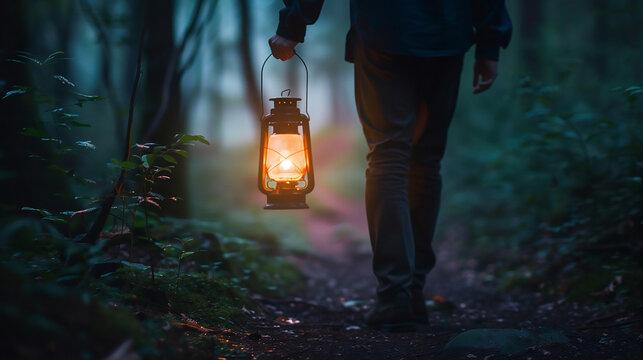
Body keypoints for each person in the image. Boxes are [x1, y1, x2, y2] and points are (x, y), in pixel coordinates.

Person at [269, 0, 512, 331]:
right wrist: (489, 44)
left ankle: (394, 294)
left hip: (385, 30)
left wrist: (292, 25)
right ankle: (410, 291)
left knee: (389, 156)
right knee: (424, 160)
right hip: (446, 34)